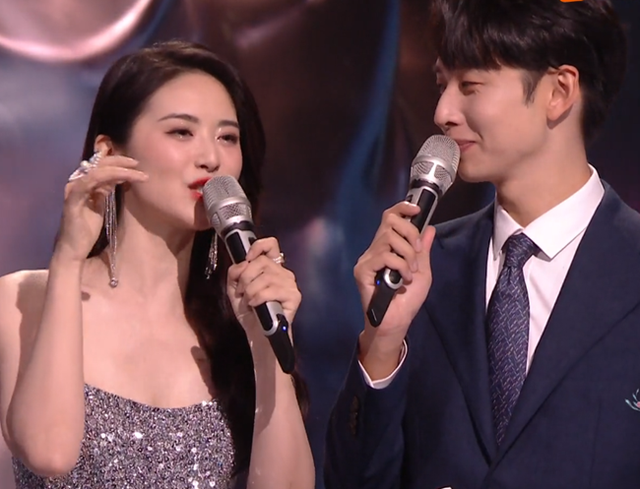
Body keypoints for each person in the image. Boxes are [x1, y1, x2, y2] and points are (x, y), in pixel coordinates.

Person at [325, 0, 640, 487]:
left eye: (470, 86)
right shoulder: (421, 269)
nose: (443, 113)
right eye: (441, 85)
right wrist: (381, 345)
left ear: (559, 91)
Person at [0, 40, 314, 489]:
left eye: (227, 137)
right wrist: (68, 258)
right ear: (109, 153)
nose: (211, 158)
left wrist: (267, 346)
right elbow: (50, 452)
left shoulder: (229, 330)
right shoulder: (20, 300)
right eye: (182, 132)